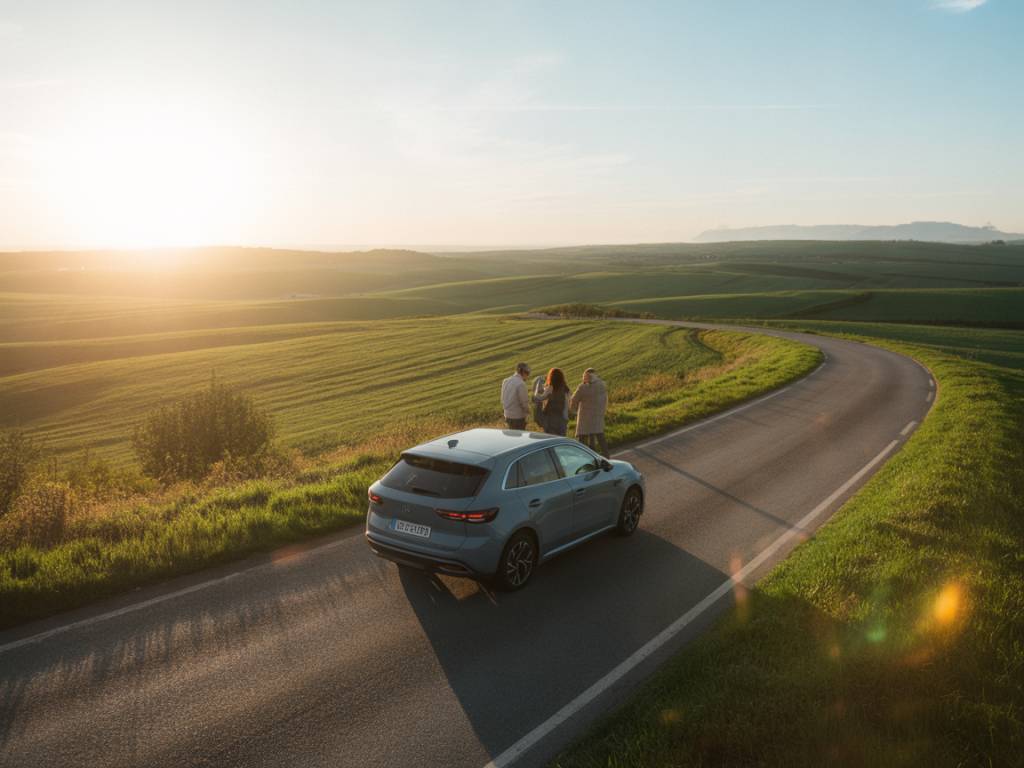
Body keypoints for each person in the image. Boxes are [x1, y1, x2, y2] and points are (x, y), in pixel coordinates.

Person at [571, 367, 609, 456]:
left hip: (585, 419)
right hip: (598, 417)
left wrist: (574, 411)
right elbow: (605, 400)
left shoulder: (583, 387)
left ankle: (586, 459)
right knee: (600, 438)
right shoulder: (602, 385)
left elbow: (573, 400)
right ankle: (607, 458)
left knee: (583, 441)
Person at [533, 367, 571, 436]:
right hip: (562, 418)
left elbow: (539, 397)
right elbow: (568, 404)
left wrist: (537, 388)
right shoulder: (566, 389)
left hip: (550, 419)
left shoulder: (550, 388)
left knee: (551, 439)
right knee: (561, 440)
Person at [501, 362, 531, 430]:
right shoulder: (521, 384)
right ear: (523, 372)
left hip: (507, 415)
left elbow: (502, 399)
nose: (528, 375)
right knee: (519, 439)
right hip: (518, 418)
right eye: (527, 373)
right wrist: (529, 413)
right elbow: (524, 403)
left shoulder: (505, 381)